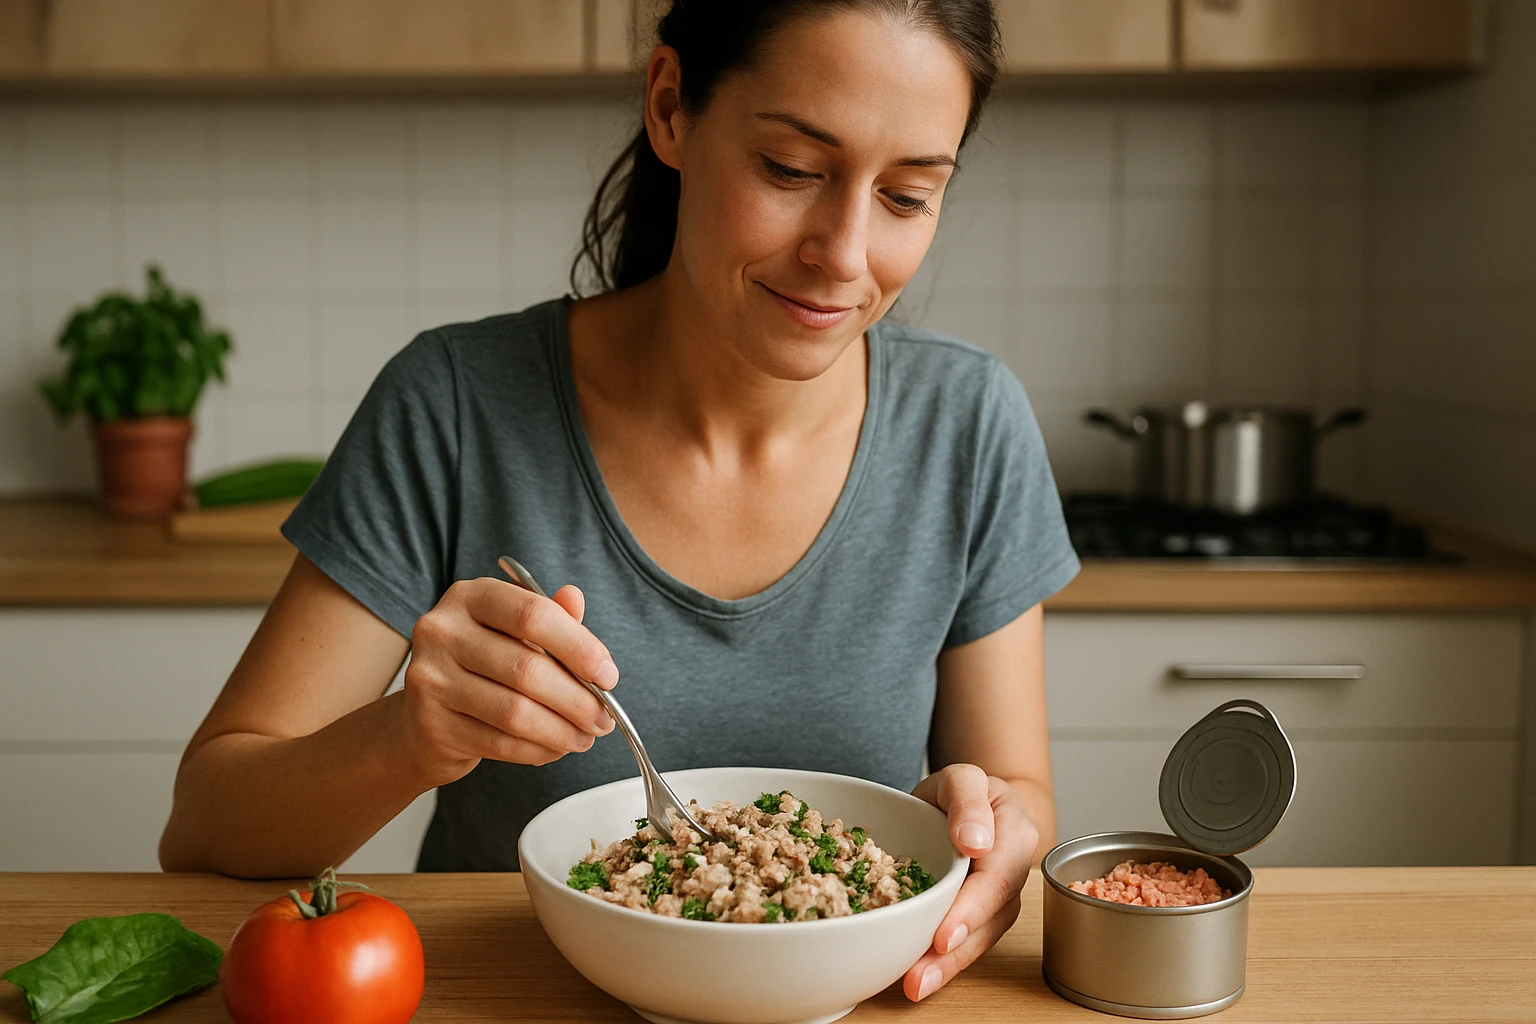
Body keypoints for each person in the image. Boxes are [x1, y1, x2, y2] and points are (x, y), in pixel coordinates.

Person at [159, 0, 1079, 1002]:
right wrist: (414, 736)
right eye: (791, 171)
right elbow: (206, 824)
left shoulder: (969, 424)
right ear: (673, 106)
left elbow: (1014, 792)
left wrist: (998, 836)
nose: (845, 253)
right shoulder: (455, 406)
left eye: (907, 195)